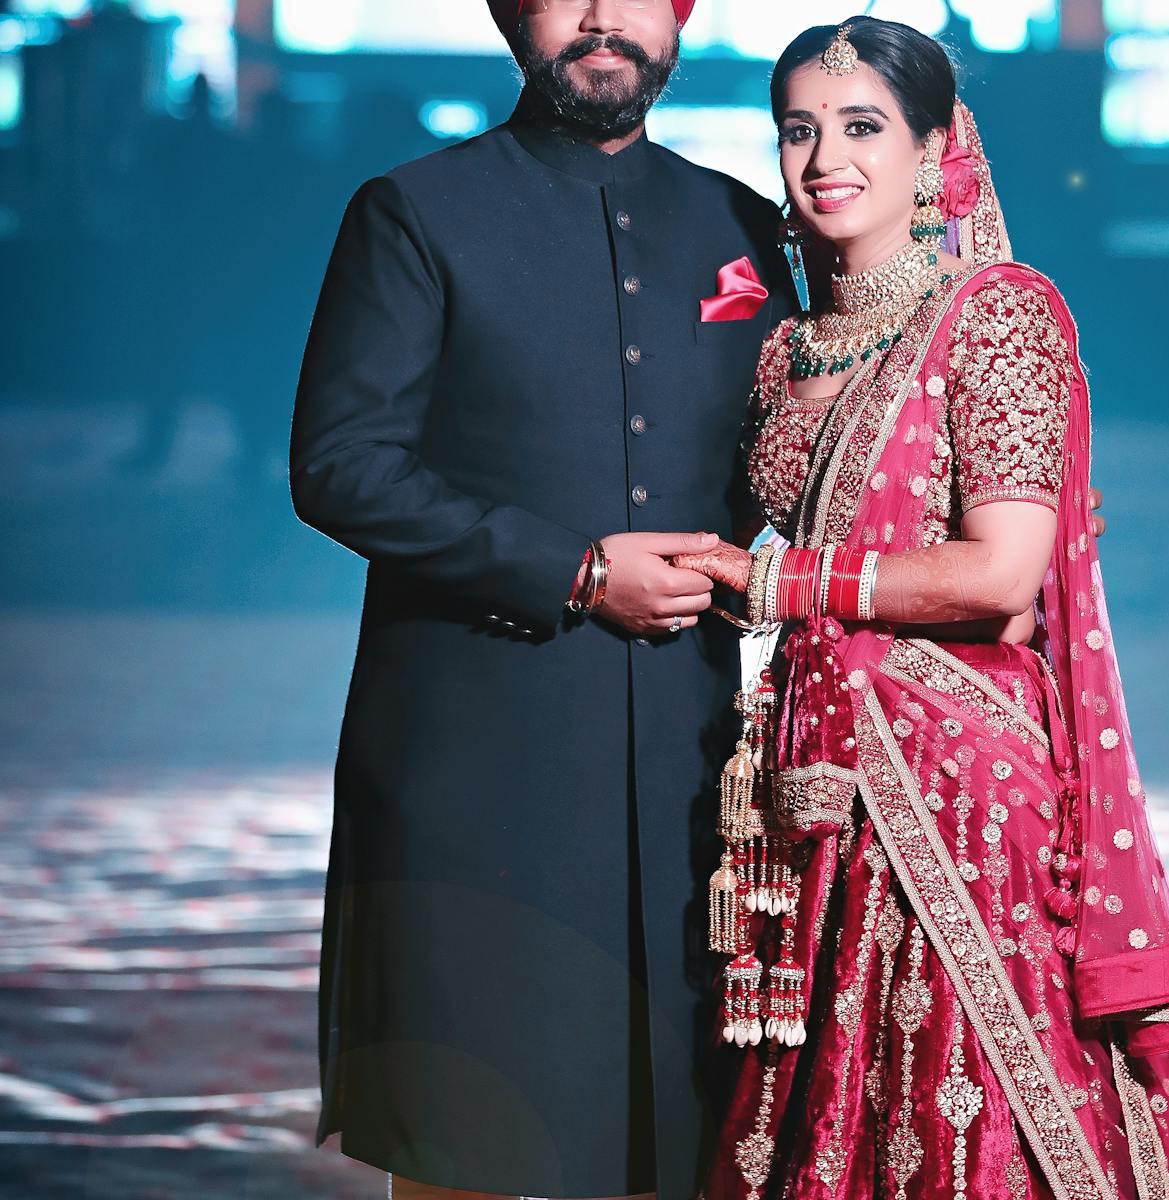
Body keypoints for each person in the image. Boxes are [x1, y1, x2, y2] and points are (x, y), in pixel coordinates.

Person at [673, 19, 1169, 1199]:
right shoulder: (786, 348)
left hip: (956, 790)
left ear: (935, 149)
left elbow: (1004, 577)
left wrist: (781, 583)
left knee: (961, 1104)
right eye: (797, 129)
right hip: (809, 782)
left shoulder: (996, 313)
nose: (822, 158)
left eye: (862, 128)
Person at [288, 2, 801, 1197]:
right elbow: (340, 465)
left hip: (688, 756)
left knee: (680, 1130)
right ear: (511, 12)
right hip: (474, 750)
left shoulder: (737, 222)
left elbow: (803, 447)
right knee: (464, 1125)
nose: (601, 18)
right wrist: (572, 569)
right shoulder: (417, 211)